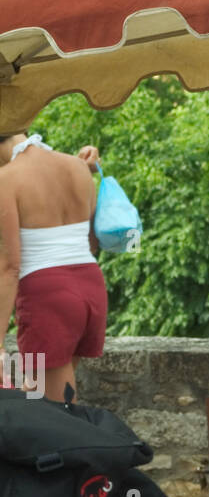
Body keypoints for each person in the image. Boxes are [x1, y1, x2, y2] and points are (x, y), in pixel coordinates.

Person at [0, 132, 106, 402]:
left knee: (55, 412)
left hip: (47, 299)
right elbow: (93, 243)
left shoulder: (7, 179)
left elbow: (10, 267)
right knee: (37, 396)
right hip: (90, 289)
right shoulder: (79, 167)